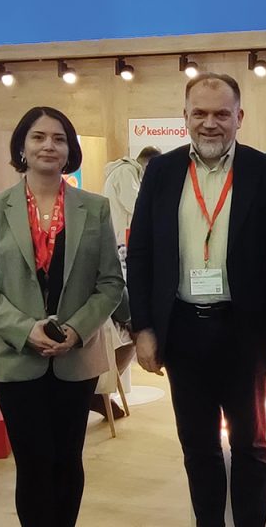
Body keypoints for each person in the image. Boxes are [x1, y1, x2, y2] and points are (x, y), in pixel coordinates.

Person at [127, 72, 266, 527]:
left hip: (246, 331)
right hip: (182, 330)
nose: (210, 123)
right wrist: (143, 327)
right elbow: (141, 252)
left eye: (222, 113)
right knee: (197, 446)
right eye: (199, 113)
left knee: (250, 445)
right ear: (184, 117)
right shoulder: (161, 172)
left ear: (240, 117)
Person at [0, 106, 124, 527]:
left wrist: (76, 330)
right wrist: (26, 330)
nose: (48, 146)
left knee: (68, 460)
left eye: (58, 138)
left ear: (70, 150)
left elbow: (110, 283)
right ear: (22, 145)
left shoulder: (95, 208)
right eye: (38, 137)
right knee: (33, 462)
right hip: (16, 359)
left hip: (76, 357)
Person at [98, 144, 160, 419]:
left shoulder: (123, 172)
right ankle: (101, 393)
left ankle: (106, 392)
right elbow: (137, 205)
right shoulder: (125, 173)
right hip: (121, 249)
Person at [102, 145, 161, 250]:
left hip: (121, 237)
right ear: (150, 164)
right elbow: (135, 205)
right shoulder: (126, 171)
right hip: (121, 239)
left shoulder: (128, 171)